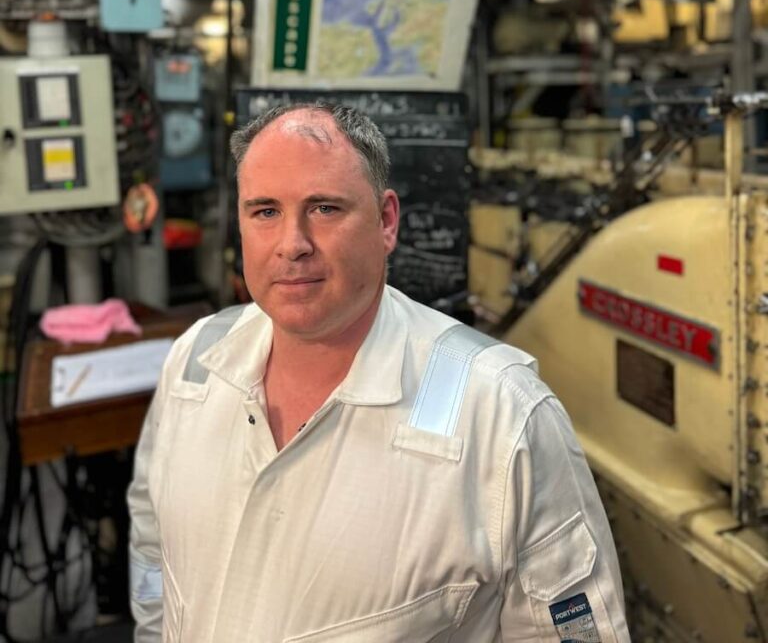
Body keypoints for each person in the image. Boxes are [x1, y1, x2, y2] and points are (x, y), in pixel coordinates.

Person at [128, 102, 630, 642]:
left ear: (386, 220)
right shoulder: (195, 365)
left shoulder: (501, 416)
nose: (292, 244)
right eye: (265, 211)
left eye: (323, 208)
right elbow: (154, 555)